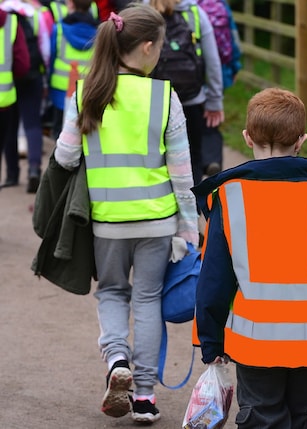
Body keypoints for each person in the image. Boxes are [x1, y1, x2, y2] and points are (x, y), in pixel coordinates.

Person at [52, 3, 199, 424]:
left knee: (113, 293)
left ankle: (117, 361)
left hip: (107, 222)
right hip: (157, 221)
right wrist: (190, 231)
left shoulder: (88, 93)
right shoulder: (165, 96)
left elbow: (64, 157)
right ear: (148, 47)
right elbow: (183, 176)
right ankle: (147, 397)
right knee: (148, 300)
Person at [191, 87, 307, 428]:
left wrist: (211, 340)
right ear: (301, 140)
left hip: (255, 342)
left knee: (261, 416)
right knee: (300, 415)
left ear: (246, 138)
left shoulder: (229, 198)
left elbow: (214, 278)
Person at [148, 0, 224, 187]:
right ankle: (192, 208)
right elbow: (213, 61)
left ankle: (164, 206)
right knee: (192, 157)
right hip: (192, 99)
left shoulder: (143, 11)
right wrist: (214, 101)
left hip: (154, 99)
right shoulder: (195, 13)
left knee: (157, 156)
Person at [0, 0, 53, 192]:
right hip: (31, 76)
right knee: (32, 124)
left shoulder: (5, 14)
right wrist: (44, 74)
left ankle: (12, 174)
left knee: (10, 128)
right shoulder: (35, 14)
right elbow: (44, 47)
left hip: (7, 82)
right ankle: (33, 170)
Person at [198, 0, 241, 176]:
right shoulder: (220, 5)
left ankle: (196, 162)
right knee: (212, 118)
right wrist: (235, 66)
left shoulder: (188, 6)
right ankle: (212, 159)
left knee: (191, 119)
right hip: (219, 71)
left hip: (191, 73)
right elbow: (233, 38)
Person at [48, 0, 97, 141]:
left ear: (70, 4)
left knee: (59, 130)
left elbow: (51, 56)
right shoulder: (99, 32)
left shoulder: (59, 29)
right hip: (88, 87)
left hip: (60, 86)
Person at [0, 7, 30, 188]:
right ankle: (12, 175)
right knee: (7, 136)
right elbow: (22, 65)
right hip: (4, 99)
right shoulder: (11, 23)